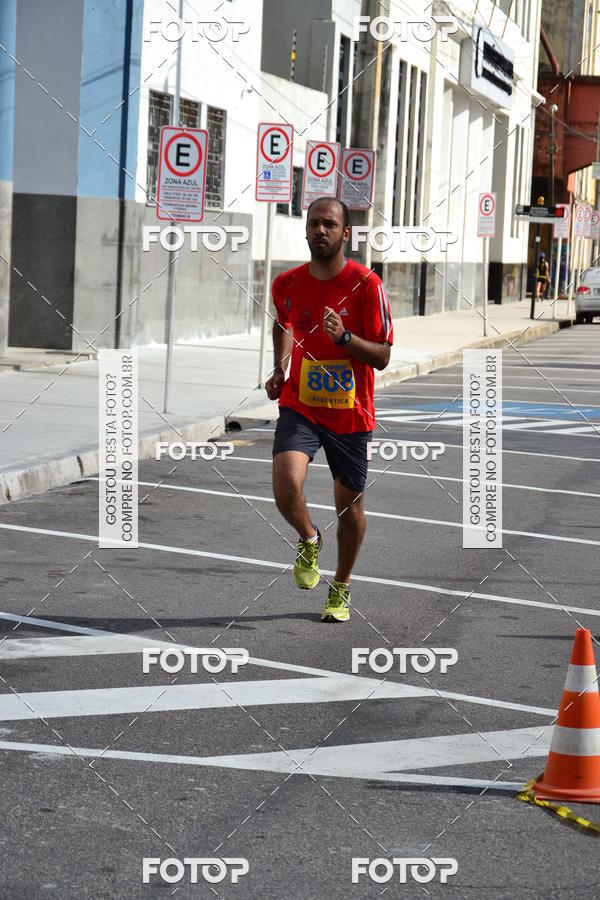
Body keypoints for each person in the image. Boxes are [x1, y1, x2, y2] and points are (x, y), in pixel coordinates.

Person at [264, 196, 393, 622]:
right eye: (314, 224)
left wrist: (346, 341)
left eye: (330, 225)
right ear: (306, 230)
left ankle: (341, 585)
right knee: (285, 482)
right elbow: (283, 323)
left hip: (349, 412)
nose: (321, 230)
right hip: (300, 403)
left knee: (350, 507)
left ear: (345, 233)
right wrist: (281, 368)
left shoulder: (367, 285)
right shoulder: (286, 283)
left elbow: (382, 355)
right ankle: (308, 537)